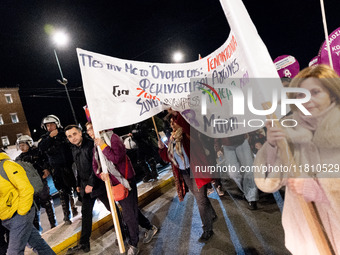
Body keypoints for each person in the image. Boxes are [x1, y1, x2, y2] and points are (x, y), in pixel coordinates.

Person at [254, 64, 340, 254]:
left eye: (315, 92)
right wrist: (272, 146)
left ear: (332, 94)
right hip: (304, 234)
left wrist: (318, 191)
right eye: (300, 95)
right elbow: (269, 183)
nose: (307, 100)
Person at [86, 122, 158, 255]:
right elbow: (95, 165)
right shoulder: (95, 145)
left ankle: (133, 244)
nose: (90, 132)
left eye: (91, 128)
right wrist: (100, 174)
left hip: (125, 181)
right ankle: (149, 227)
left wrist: (103, 145)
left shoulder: (113, 138)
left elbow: (117, 158)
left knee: (128, 214)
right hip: (113, 184)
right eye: (88, 130)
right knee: (131, 210)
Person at [64, 125, 126, 254]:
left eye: (74, 134)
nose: (73, 138)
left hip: (98, 185)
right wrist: (78, 184)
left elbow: (96, 166)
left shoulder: (91, 145)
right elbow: (78, 169)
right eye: (69, 136)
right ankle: (84, 244)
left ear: (80, 133)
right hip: (85, 187)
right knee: (86, 214)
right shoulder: (74, 149)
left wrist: (91, 184)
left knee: (112, 209)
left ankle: (123, 232)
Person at [158, 110, 217, 242]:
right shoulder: (173, 138)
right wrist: (162, 148)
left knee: (200, 199)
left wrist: (184, 131)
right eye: (172, 124)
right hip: (184, 172)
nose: (173, 126)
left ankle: (207, 229)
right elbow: (169, 157)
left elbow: (197, 142)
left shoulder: (188, 134)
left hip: (195, 169)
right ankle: (212, 213)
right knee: (199, 196)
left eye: (175, 123)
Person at [0, 149, 55, 255]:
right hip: (6, 218)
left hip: (19, 214)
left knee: (14, 252)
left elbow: (26, 189)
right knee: (38, 244)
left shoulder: (7, 165)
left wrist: (22, 213)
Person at [39, 115, 78, 225]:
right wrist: (50, 137)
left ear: (57, 123)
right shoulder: (45, 138)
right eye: (47, 125)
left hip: (70, 166)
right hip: (57, 169)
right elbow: (41, 148)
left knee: (78, 187)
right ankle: (67, 215)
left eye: (51, 124)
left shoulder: (64, 133)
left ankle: (83, 207)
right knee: (62, 191)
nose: (49, 127)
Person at [15, 135, 56, 231]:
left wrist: (46, 169)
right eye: (20, 146)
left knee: (46, 202)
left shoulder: (38, 153)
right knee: (34, 207)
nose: (21, 147)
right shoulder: (19, 158)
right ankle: (38, 229)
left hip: (40, 182)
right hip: (29, 185)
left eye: (23, 145)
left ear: (29, 144)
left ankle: (53, 223)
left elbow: (46, 161)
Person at [214, 134, 259, 209]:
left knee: (249, 170)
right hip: (226, 144)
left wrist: (255, 138)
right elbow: (216, 127)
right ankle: (247, 192)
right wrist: (217, 146)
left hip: (242, 140)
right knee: (233, 173)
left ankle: (252, 198)